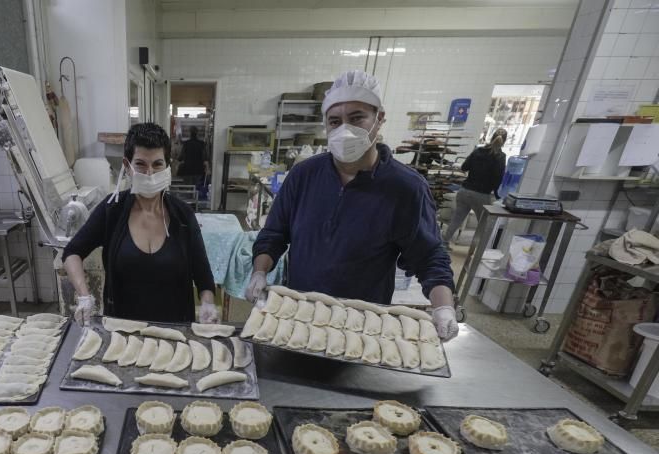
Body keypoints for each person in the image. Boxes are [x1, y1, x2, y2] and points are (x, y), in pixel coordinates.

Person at [245, 70, 458, 341]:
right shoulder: (304, 176)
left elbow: (429, 258)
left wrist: (443, 308)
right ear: (326, 125)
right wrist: (259, 272)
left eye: (357, 118)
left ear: (379, 118)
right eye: (335, 121)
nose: (345, 128)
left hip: (363, 322)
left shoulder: (405, 188)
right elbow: (273, 235)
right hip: (299, 315)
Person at [63, 122, 218, 326]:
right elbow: (72, 252)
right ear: (127, 166)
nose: (150, 173)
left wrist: (207, 303)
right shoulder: (112, 210)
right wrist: (83, 295)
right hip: (122, 331)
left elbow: (203, 276)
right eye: (141, 164)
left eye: (157, 164)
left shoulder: (183, 216)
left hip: (175, 330)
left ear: (168, 166)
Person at [442, 128, 507, 246]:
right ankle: (479, 251)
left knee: (456, 219)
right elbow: (498, 178)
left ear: (491, 137)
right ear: (504, 141)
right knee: (483, 224)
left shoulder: (478, 151)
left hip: (464, 191)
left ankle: (443, 243)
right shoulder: (500, 156)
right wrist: (496, 194)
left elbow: (464, 167)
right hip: (481, 195)